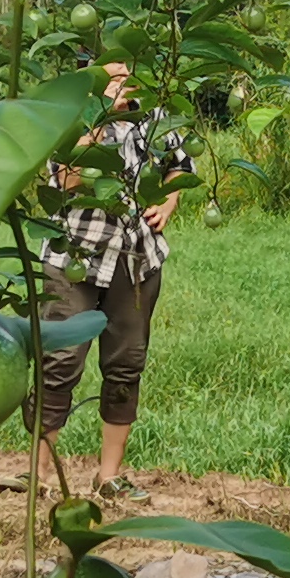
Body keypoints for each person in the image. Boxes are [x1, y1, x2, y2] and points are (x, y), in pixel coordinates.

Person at [33, 61, 193, 498]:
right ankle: (39, 473)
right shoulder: (73, 118)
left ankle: (108, 477)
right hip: (75, 258)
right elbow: (64, 179)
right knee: (59, 362)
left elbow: (180, 166)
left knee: (125, 366)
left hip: (136, 261)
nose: (121, 82)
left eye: (127, 74)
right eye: (111, 75)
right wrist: (100, 121)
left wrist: (171, 200)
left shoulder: (156, 119)